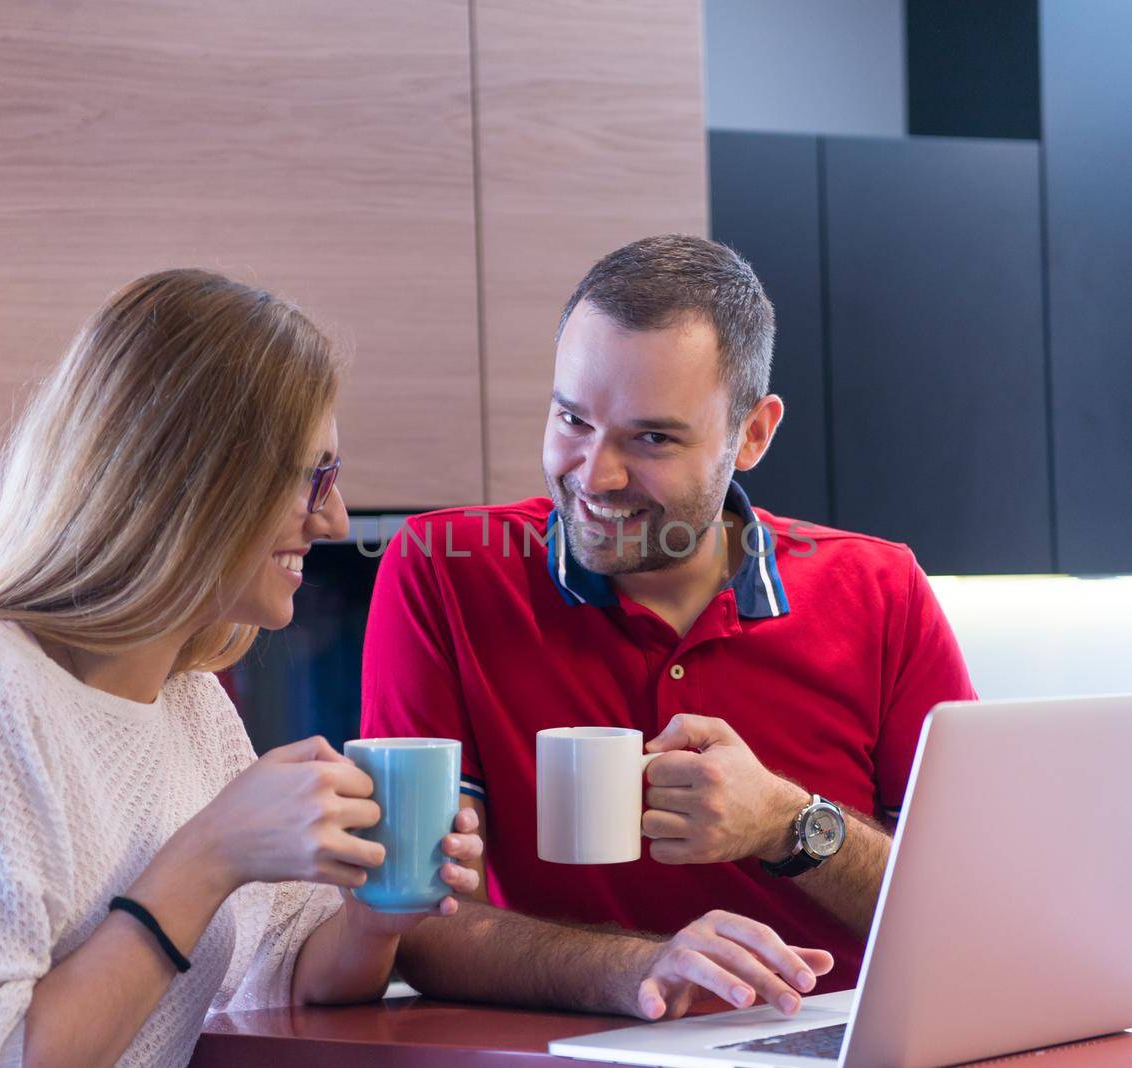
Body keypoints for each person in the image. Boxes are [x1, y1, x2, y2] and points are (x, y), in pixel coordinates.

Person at [0, 269, 482, 1067]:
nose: (335, 518)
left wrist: (374, 916)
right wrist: (210, 854)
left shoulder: (188, 706)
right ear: (193, 482)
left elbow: (281, 972)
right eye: (311, 477)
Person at [362, 234, 976, 1021]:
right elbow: (415, 923)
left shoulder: (880, 590)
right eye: (573, 419)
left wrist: (787, 824)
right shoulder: (442, 572)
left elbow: (967, 914)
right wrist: (636, 971)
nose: (595, 476)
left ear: (752, 434)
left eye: (651, 438)